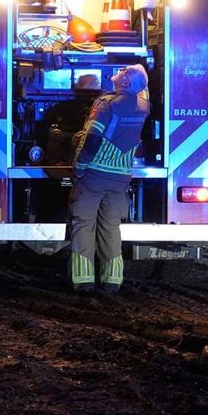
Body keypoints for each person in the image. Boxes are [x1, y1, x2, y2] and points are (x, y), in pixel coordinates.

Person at [67, 63, 150, 295]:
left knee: (83, 224)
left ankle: (83, 281)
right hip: (120, 178)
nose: (121, 69)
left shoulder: (105, 105)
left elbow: (92, 139)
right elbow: (141, 87)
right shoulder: (143, 105)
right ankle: (112, 281)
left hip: (94, 174)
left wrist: (79, 168)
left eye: (125, 71)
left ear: (125, 83)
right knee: (111, 227)